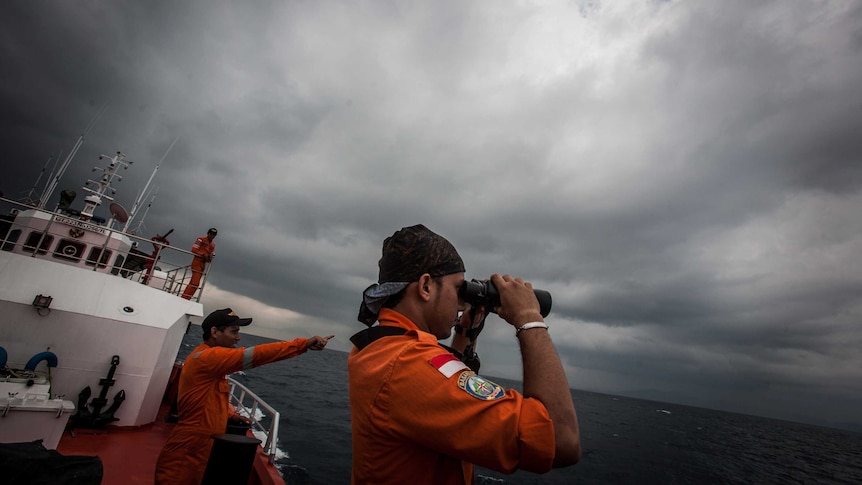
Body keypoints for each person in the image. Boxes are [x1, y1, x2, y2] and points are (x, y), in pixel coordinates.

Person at [348, 224, 580, 484]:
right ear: (425, 286)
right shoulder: (407, 365)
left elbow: (438, 389)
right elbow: (561, 439)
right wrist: (529, 318)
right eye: (458, 289)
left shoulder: (380, 347)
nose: (461, 303)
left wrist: (465, 335)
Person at [155, 308, 334, 484]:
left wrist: (230, 416)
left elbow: (207, 401)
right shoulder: (207, 358)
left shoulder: (210, 363)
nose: (238, 337)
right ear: (215, 332)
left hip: (201, 445)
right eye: (234, 331)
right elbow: (254, 355)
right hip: (189, 448)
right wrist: (303, 344)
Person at [181, 227, 217, 300]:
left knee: (194, 283)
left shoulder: (213, 245)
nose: (212, 235)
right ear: (208, 233)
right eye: (211, 234)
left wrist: (209, 257)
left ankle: (186, 298)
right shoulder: (200, 239)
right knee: (195, 283)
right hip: (197, 262)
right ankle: (184, 298)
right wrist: (203, 254)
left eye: (214, 234)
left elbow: (211, 254)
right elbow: (194, 249)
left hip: (203, 264)